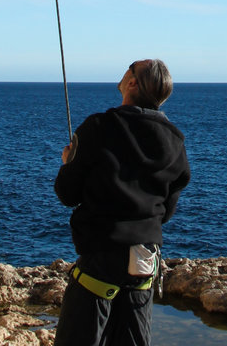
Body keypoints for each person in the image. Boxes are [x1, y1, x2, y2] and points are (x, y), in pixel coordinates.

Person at [53, 59, 190, 346]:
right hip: (144, 261)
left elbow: (67, 194)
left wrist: (68, 163)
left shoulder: (98, 127)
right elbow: (166, 212)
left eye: (130, 67)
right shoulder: (176, 141)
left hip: (100, 259)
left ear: (132, 83)